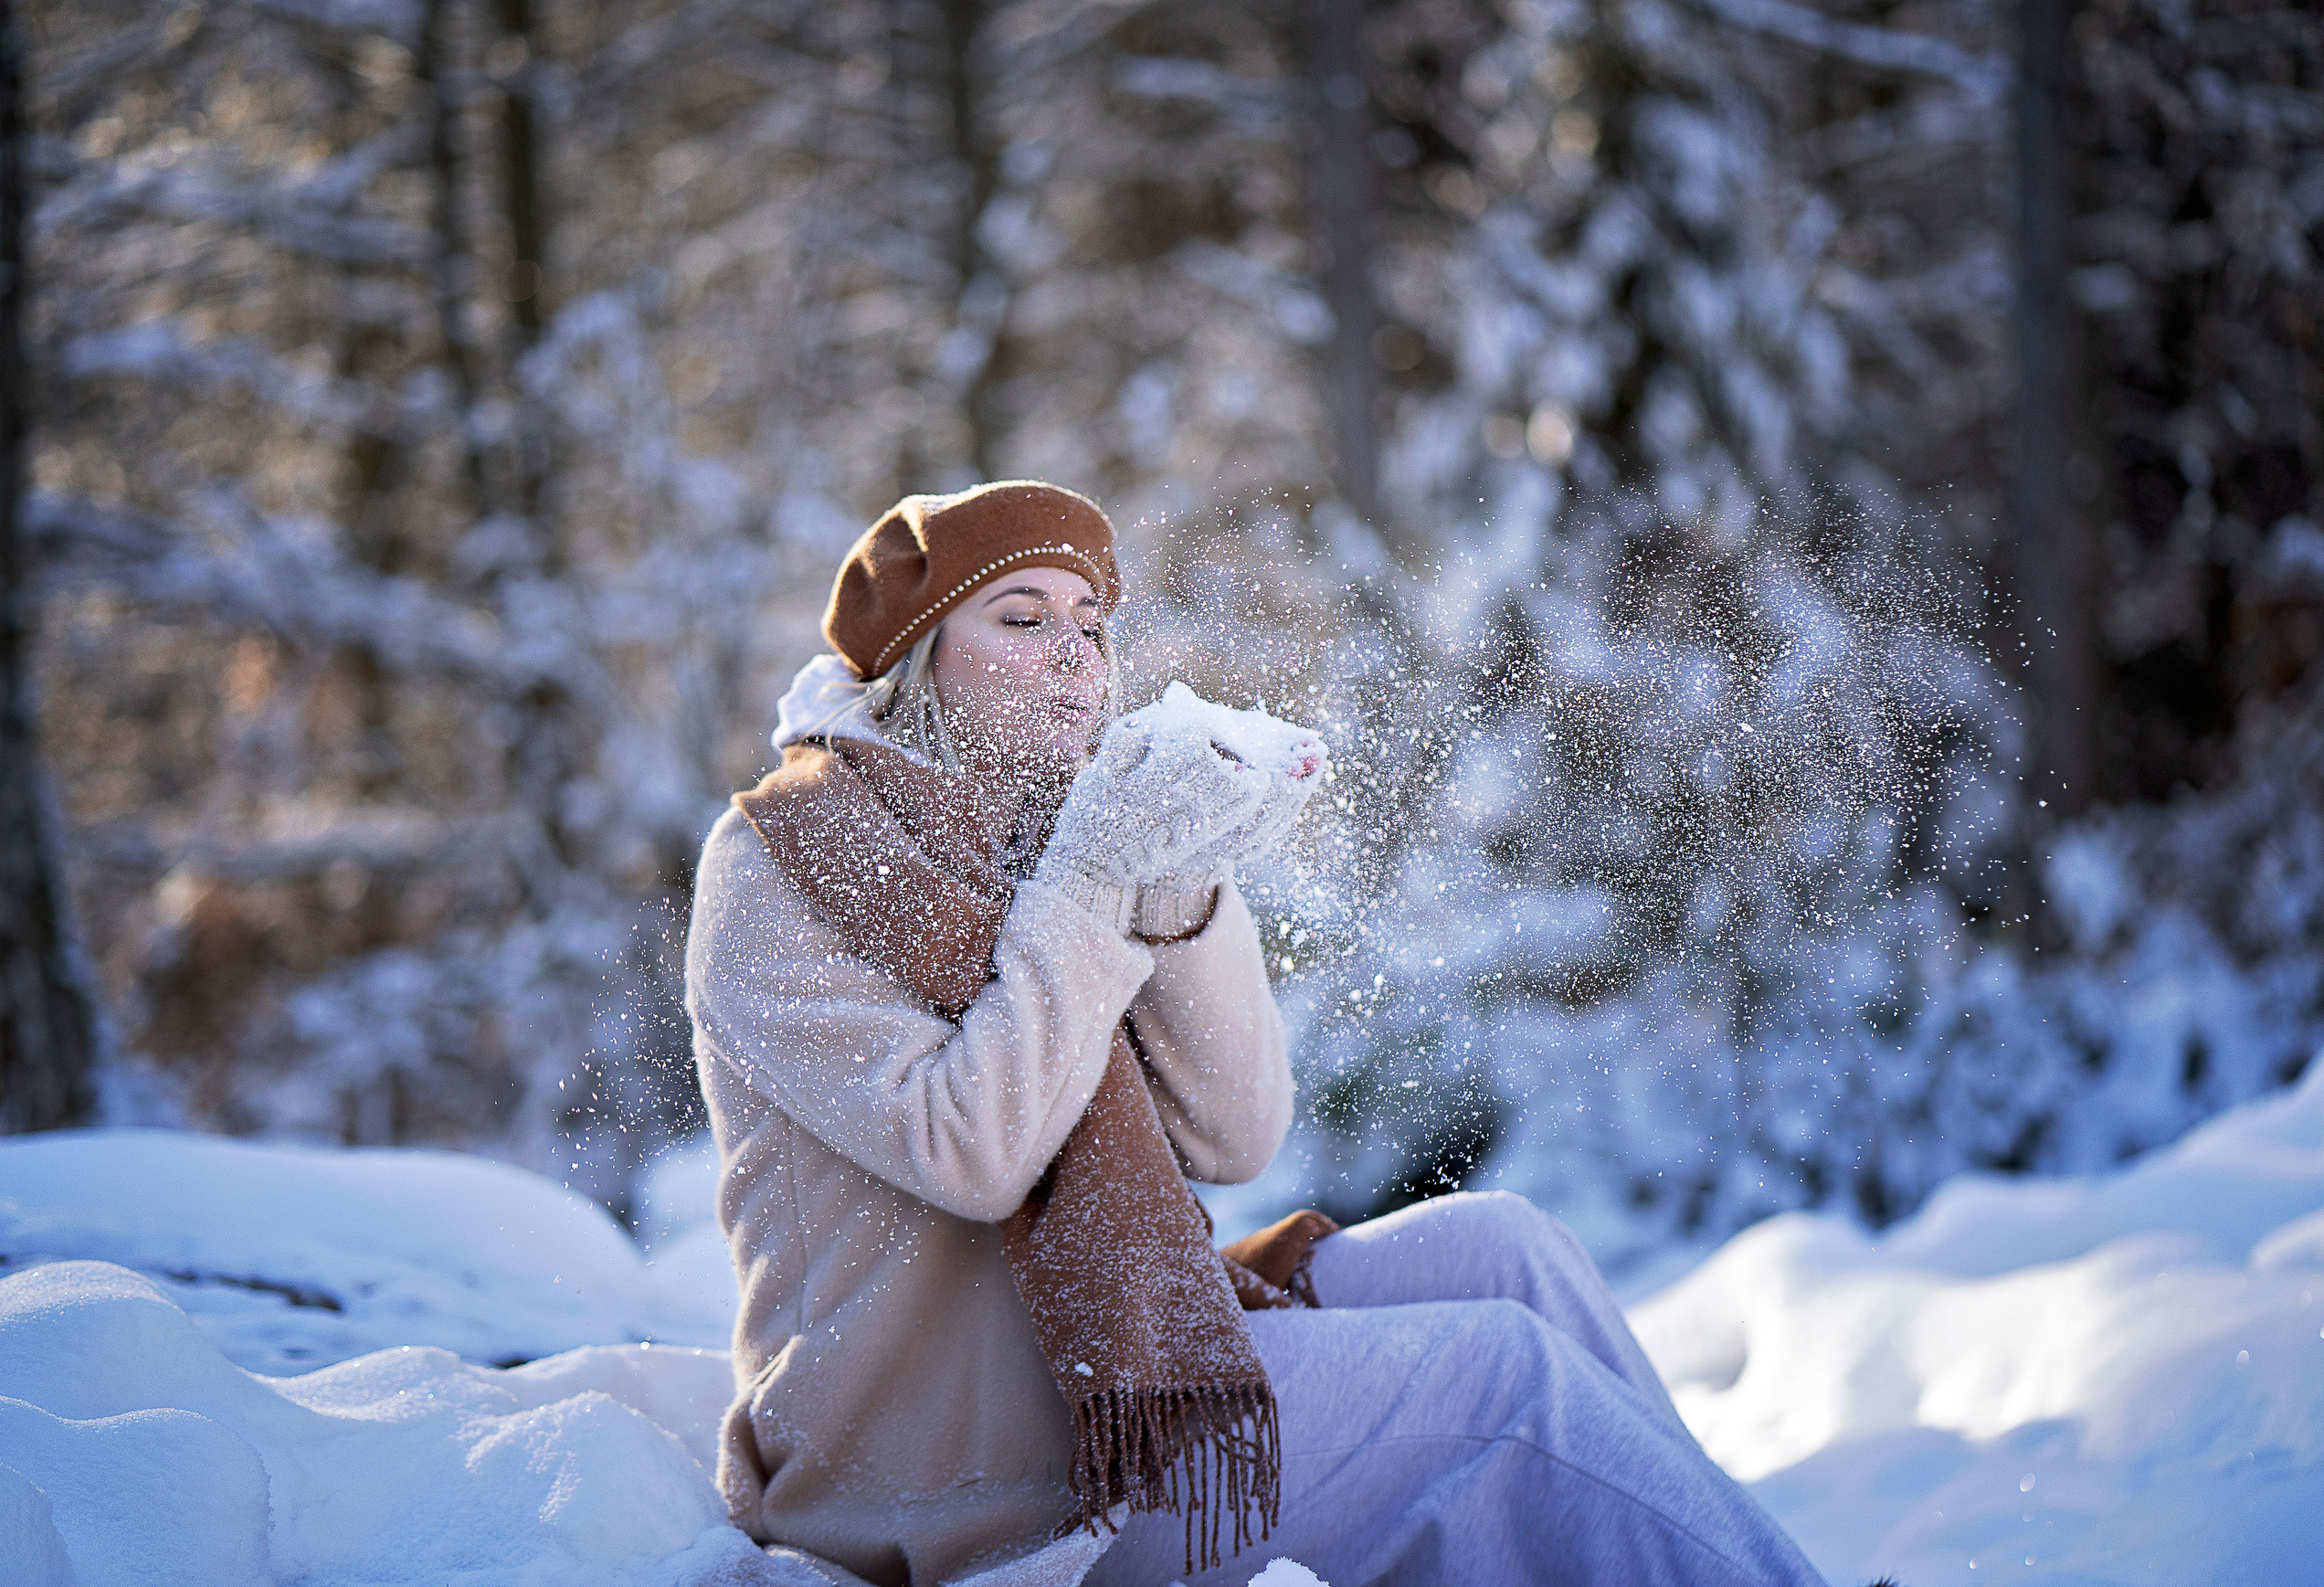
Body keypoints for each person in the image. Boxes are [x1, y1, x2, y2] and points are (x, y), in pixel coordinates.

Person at [684, 480, 1827, 1587]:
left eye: (1091, 622)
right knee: (1498, 1382)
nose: (1073, 653)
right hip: (943, 1470)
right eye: (1022, 619)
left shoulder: (1059, 830)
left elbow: (1234, 1137)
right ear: (914, 658)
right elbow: (969, 1151)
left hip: (1104, 1361)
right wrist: (1094, 877)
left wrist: (1185, 877)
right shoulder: (788, 858)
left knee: (1506, 1248)